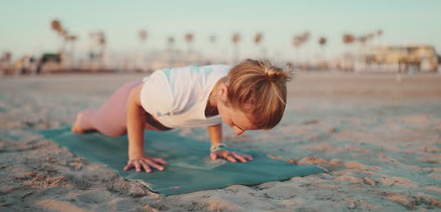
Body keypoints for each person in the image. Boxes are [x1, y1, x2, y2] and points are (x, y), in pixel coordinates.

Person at [72, 59, 291, 173]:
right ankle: (83, 119)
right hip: (130, 105)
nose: (238, 132)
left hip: (163, 118)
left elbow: (215, 112)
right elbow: (133, 99)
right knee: (108, 128)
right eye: (235, 124)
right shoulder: (173, 91)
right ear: (223, 94)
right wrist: (136, 153)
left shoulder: (233, 87)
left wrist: (218, 146)